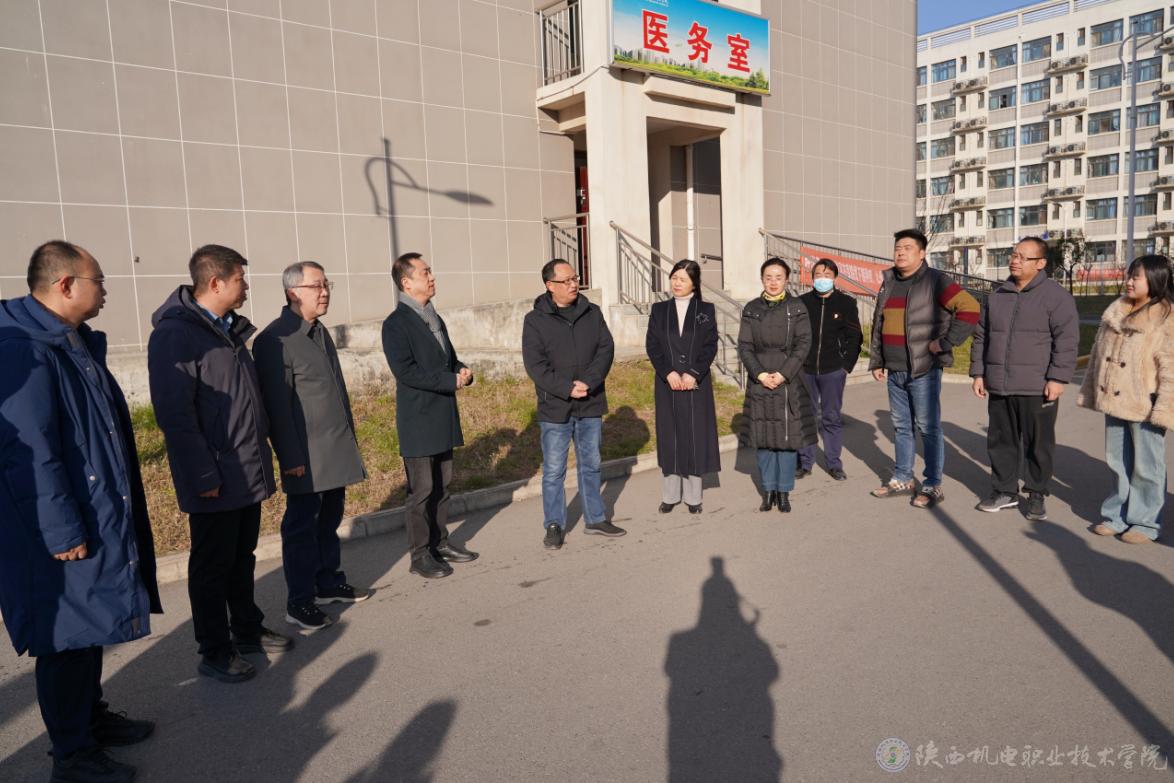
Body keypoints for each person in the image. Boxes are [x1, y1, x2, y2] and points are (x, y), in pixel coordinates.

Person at [0, 240, 161, 783]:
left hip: (91, 509)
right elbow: (30, 453)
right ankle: (72, 755)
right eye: (99, 281)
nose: (106, 291)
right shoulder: (23, 348)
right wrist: (60, 528)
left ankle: (90, 719)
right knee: (66, 639)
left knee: (89, 625)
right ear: (65, 285)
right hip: (57, 526)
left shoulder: (70, 340)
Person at [148, 244, 292, 684]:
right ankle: (214, 649)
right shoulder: (176, 335)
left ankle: (246, 629)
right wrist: (203, 474)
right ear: (215, 282)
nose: (246, 287)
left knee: (241, 557)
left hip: (245, 467)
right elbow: (176, 415)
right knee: (211, 566)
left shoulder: (227, 330)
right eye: (240, 279)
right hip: (214, 474)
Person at [254, 262, 370, 631]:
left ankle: (327, 582)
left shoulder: (318, 332)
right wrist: (290, 457)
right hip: (305, 454)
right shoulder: (275, 340)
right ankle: (299, 601)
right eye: (316, 286)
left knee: (329, 519)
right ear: (293, 292)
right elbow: (277, 406)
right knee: (301, 528)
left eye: (326, 284)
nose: (325, 292)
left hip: (333, 447)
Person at [382, 252, 480, 578]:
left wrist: (461, 370)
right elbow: (406, 372)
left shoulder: (433, 317)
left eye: (430, 271)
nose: (432, 277)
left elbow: (447, 359)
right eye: (425, 272)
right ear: (406, 283)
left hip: (443, 415)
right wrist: (449, 380)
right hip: (419, 420)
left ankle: (441, 543)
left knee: (442, 486)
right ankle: (420, 555)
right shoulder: (396, 324)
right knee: (421, 491)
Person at [868, 228, 979, 508]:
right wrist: (878, 359)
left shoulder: (936, 280)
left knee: (928, 428)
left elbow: (970, 308)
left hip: (924, 369)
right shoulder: (889, 282)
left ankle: (932, 484)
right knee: (901, 427)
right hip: (895, 370)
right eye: (897, 248)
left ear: (921, 253)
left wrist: (945, 343)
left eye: (907, 248)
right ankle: (903, 478)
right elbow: (880, 322)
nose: (900, 253)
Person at [971, 237, 1079, 521]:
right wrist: (979, 372)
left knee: (1038, 444)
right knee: (1001, 441)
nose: (1014, 261)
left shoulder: (1056, 297)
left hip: (1037, 386)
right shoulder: (998, 294)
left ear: (1040, 263)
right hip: (999, 383)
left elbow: (1067, 341)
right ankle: (1004, 491)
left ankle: (1036, 494)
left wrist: (1057, 378)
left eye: (1022, 257)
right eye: (1013, 255)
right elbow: (982, 335)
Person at [522, 258, 624, 548]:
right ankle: (554, 524)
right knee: (554, 470)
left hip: (590, 401)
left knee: (591, 464)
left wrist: (588, 382)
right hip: (555, 406)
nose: (573, 284)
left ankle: (595, 518)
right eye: (565, 280)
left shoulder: (592, 312)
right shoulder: (535, 320)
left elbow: (605, 349)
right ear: (549, 285)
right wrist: (567, 388)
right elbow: (535, 365)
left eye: (575, 278)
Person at [1077, 254, 1174, 544]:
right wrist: (1092, 390)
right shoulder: (1117, 309)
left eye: (1136, 276)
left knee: (1147, 466)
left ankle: (1145, 522)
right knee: (1117, 461)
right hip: (1114, 400)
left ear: (1155, 280)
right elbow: (1098, 354)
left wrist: (1165, 407)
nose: (1129, 281)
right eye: (1129, 275)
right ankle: (1116, 516)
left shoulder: (1166, 317)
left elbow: (1171, 367)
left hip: (1145, 404)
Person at [737, 257, 817, 513]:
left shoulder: (797, 308)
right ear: (762, 279)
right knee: (764, 440)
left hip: (788, 380)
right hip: (759, 380)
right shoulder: (751, 308)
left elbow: (803, 343)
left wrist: (783, 374)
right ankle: (768, 490)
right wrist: (760, 374)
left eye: (778, 277)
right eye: (768, 277)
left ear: (787, 280)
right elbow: (745, 346)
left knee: (786, 439)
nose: (773, 282)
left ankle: (784, 492)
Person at [645, 259, 721, 513]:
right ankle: (669, 496)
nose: (677, 283)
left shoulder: (705, 310)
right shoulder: (659, 310)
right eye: (674, 278)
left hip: (695, 383)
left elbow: (710, 345)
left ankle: (693, 498)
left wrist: (693, 373)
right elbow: (652, 345)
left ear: (694, 284)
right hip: (667, 383)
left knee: (694, 436)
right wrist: (667, 372)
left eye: (683, 279)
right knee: (670, 436)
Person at [797, 258, 863, 481]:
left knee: (831, 417)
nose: (822, 279)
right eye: (818, 275)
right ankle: (805, 462)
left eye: (826, 275)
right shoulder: (802, 302)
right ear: (812, 278)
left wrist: (845, 366)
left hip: (833, 370)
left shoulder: (846, 303)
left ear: (834, 278)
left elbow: (855, 336)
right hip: (805, 370)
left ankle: (834, 463)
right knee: (806, 416)